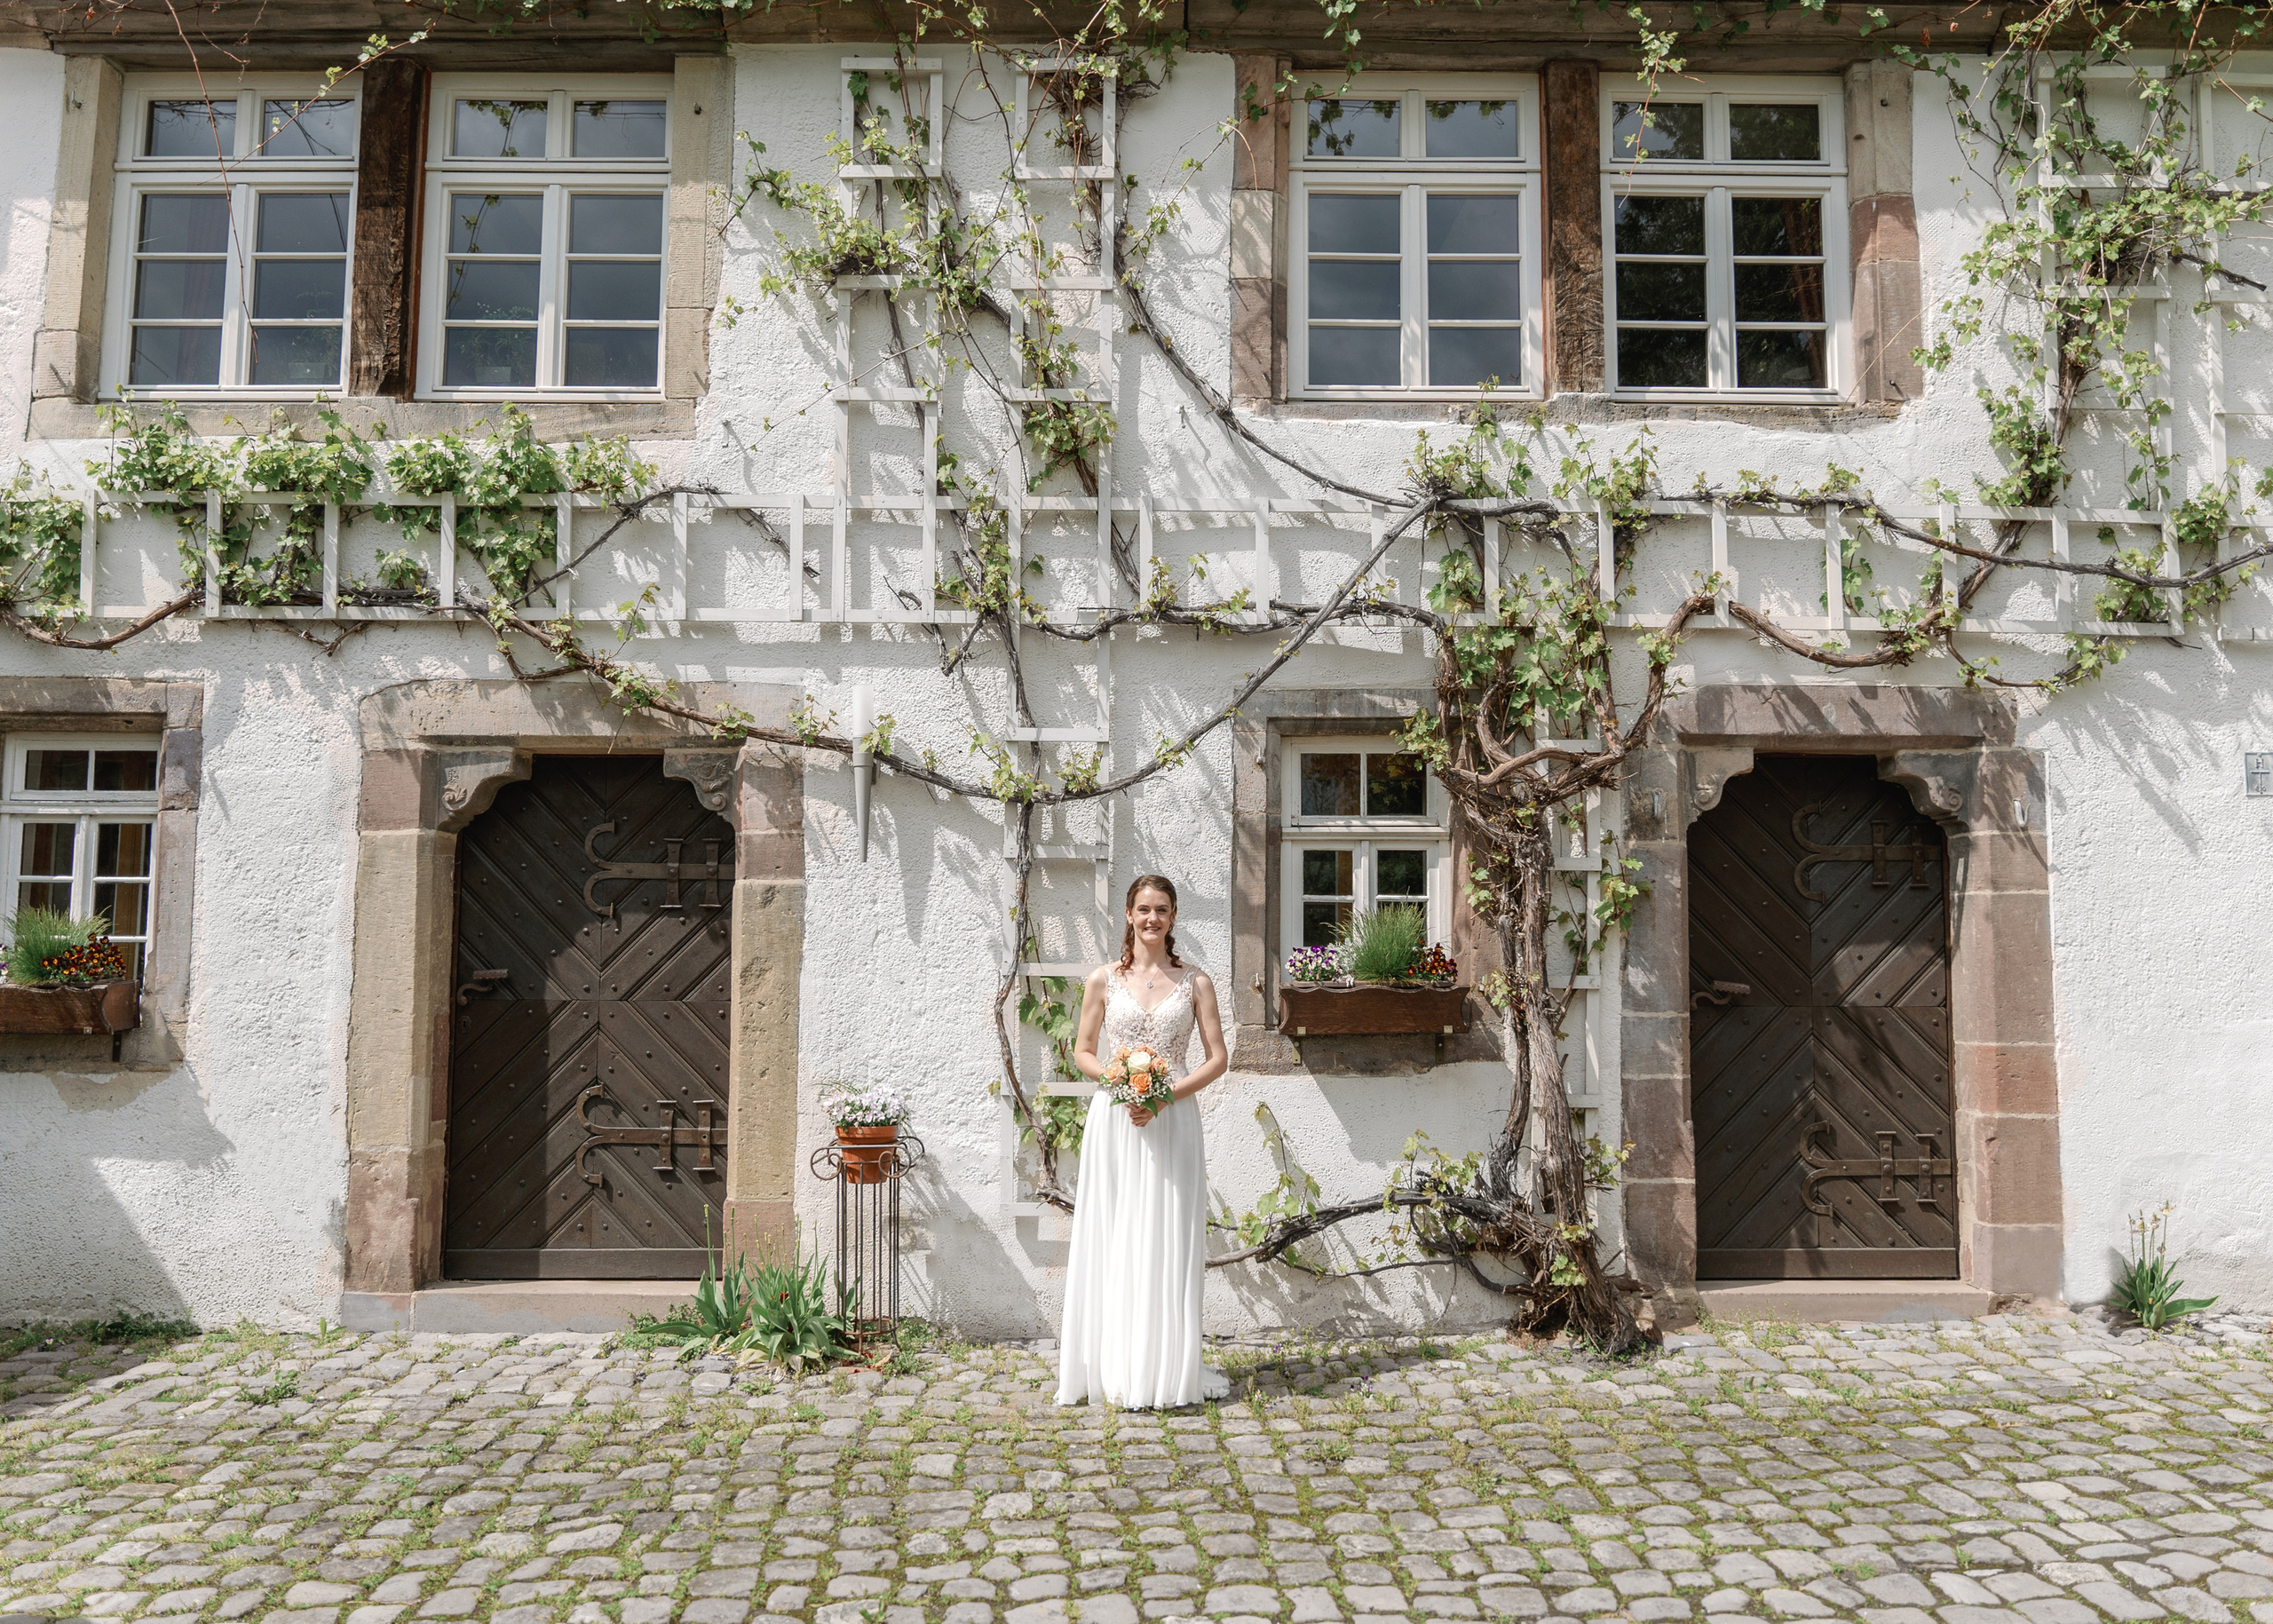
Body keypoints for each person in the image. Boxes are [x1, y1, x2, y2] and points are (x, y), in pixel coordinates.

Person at [1055, 874, 1232, 1407]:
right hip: (1116, 1120)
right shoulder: (1103, 980)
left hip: (1173, 1119)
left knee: (1166, 1234)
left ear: (1173, 917)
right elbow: (1084, 1051)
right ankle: (1115, 1365)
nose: (1152, 918)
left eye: (1162, 909)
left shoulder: (1196, 983)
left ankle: (1164, 1369)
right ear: (1129, 915)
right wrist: (1121, 1084)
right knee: (1117, 1233)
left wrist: (1163, 1097)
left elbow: (1218, 1059)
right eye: (1144, 909)